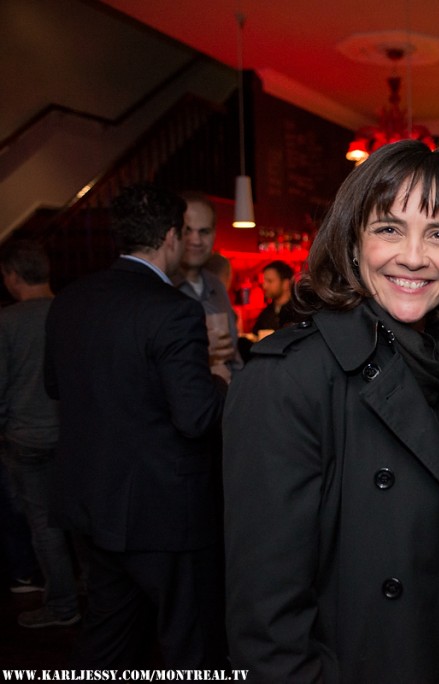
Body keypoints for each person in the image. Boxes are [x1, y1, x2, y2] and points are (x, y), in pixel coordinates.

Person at [223, 140, 439, 681]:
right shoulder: (288, 377)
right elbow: (267, 624)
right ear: (351, 240)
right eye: (389, 229)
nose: (414, 257)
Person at [44, 183, 229, 666]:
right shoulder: (172, 309)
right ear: (170, 236)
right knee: (191, 642)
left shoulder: (70, 300)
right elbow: (196, 417)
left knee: (108, 634)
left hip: (91, 502)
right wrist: (220, 382)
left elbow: (55, 387)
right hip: (163, 510)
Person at [0, 240, 79, 628]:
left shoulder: (7, 321)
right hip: (74, 433)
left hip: (26, 437)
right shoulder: (72, 312)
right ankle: (93, 593)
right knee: (80, 519)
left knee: (45, 525)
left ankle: (63, 605)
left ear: (13, 276)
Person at [175, 192, 242, 371]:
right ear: (173, 233)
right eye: (187, 230)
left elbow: (233, 356)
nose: (196, 240)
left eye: (204, 231)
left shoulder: (217, 285)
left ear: (214, 234)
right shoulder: (161, 286)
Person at [251, 260, 299, 336]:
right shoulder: (265, 314)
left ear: (286, 283)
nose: (264, 286)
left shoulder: (298, 312)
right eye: (264, 281)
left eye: (270, 281)